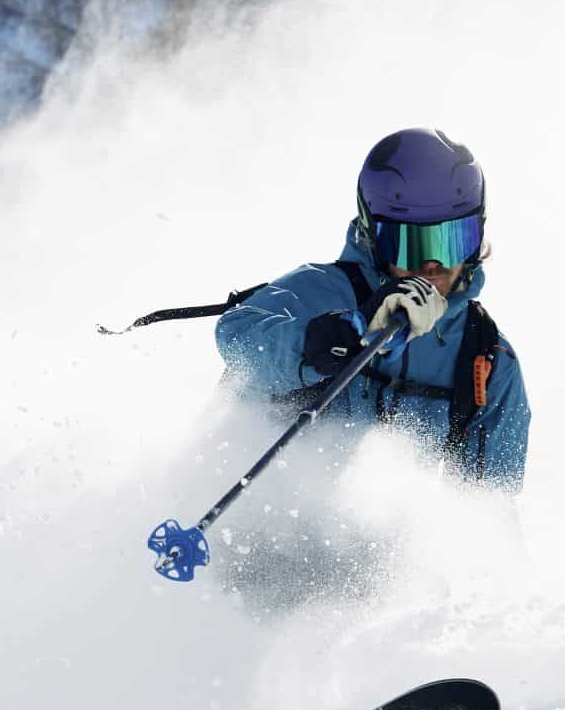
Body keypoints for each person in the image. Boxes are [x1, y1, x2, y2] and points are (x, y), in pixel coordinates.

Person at [215, 128, 530, 489]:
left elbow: (489, 511)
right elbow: (235, 335)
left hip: (376, 538)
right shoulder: (321, 291)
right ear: (372, 237)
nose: (431, 266)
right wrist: (336, 337)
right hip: (251, 519)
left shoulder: (487, 360)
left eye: (452, 242)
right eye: (408, 245)